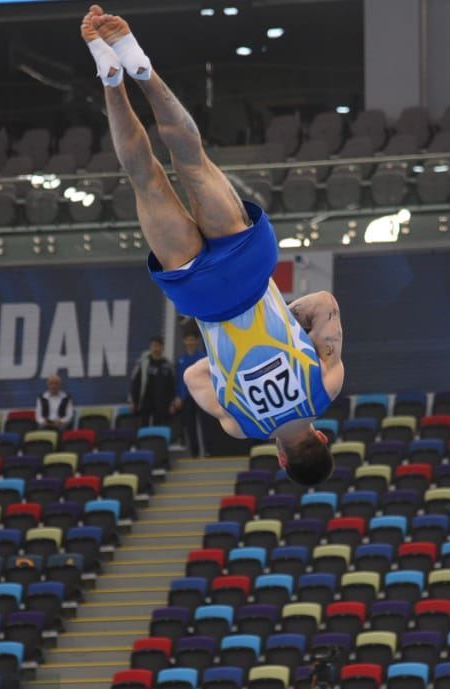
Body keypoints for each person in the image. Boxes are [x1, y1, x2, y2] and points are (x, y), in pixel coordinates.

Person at [82, 6, 342, 486]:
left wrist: (288, 322)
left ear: (323, 439)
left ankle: (139, 64)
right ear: (283, 459)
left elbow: (324, 302)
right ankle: (109, 75)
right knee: (145, 179)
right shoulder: (239, 425)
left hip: (249, 267)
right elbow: (196, 378)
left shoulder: (327, 386)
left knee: (192, 162)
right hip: (203, 298)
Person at [174, 323, 209, 457]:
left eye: (193, 339)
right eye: (188, 339)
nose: (190, 342)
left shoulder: (202, 358)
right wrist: (178, 396)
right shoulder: (181, 360)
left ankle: (207, 451)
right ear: (184, 341)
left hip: (201, 396)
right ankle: (194, 453)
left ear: (197, 341)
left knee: (205, 424)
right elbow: (178, 380)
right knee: (190, 426)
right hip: (187, 398)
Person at [129, 336, 176, 427]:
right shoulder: (142, 363)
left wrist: (172, 403)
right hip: (145, 402)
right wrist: (132, 401)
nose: (156, 349)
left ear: (162, 347)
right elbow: (135, 382)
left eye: (158, 346)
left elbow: (172, 386)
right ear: (150, 347)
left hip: (162, 403)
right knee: (143, 427)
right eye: (153, 346)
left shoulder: (168, 364)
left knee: (159, 428)